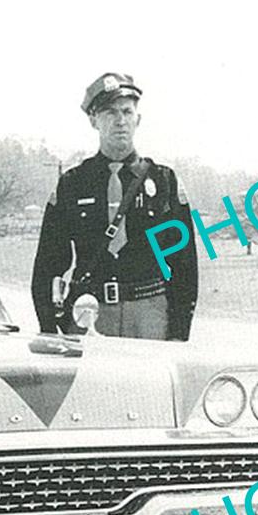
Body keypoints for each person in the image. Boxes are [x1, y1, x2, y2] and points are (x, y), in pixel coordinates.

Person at [30, 72, 198, 341]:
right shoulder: (73, 185)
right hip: (90, 316)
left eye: (126, 112)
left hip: (150, 317)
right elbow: (48, 266)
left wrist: (178, 334)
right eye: (109, 112)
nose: (120, 121)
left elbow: (184, 267)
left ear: (138, 119)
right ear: (94, 121)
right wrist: (50, 331)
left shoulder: (164, 181)